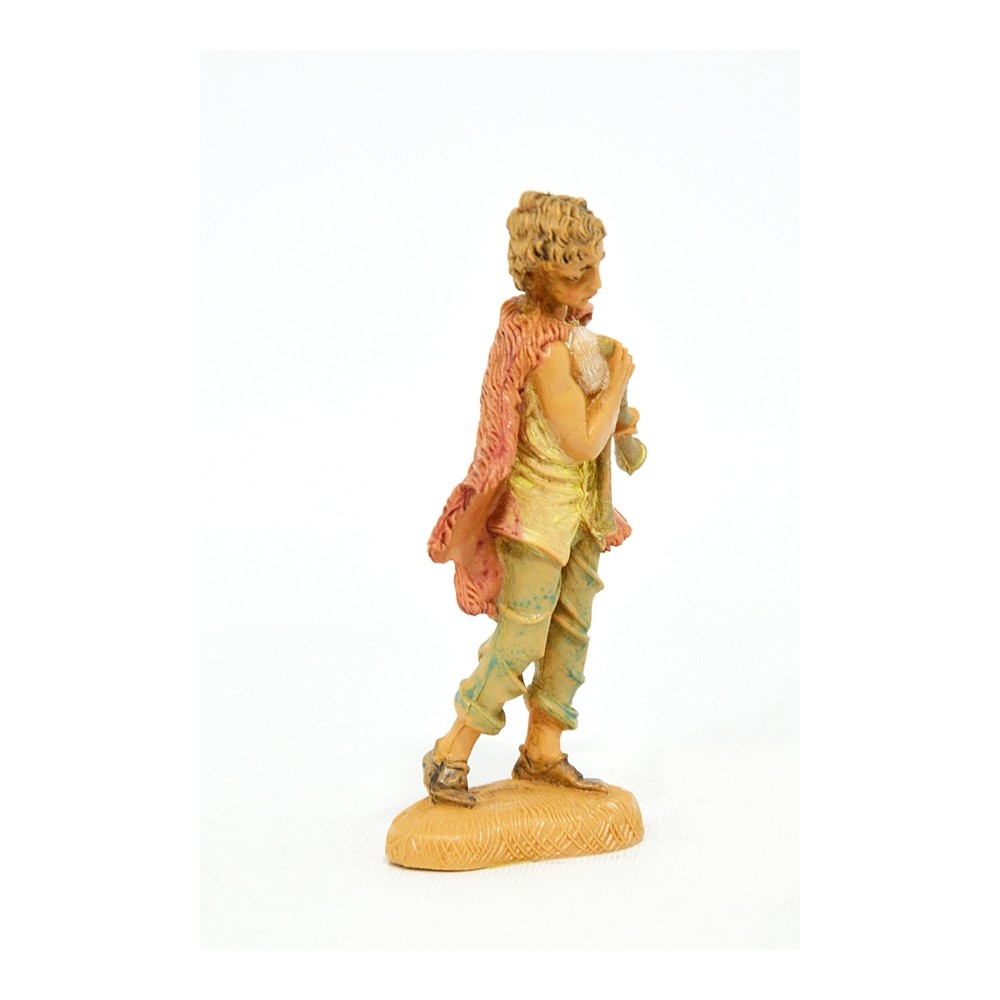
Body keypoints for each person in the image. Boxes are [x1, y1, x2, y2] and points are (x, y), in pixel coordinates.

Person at [424, 191, 641, 807]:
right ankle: (450, 753)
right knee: (521, 638)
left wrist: (617, 412)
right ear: (541, 275)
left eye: (596, 266)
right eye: (578, 275)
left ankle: (543, 751)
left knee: (570, 632)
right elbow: (580, 440)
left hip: (581, 514)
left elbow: (594, 429)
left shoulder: (571, 335)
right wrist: (618, 381)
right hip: (538, 518)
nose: (595, 284)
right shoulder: (543, 348)